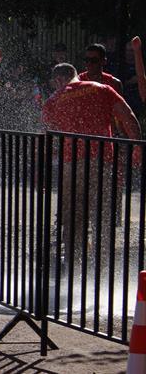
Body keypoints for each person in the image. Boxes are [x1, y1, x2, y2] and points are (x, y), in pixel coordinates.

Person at [42, 63, 140, 263]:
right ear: (76, 75)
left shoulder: (53, 100)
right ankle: (102, 262)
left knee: (73, 217)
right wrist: (137, 147)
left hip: (71, 163)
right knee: (102, 215)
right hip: (101, 160)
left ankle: (73, 262)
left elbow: (47, 136)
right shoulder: (101, 89)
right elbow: (128, 116)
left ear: (58, 80)